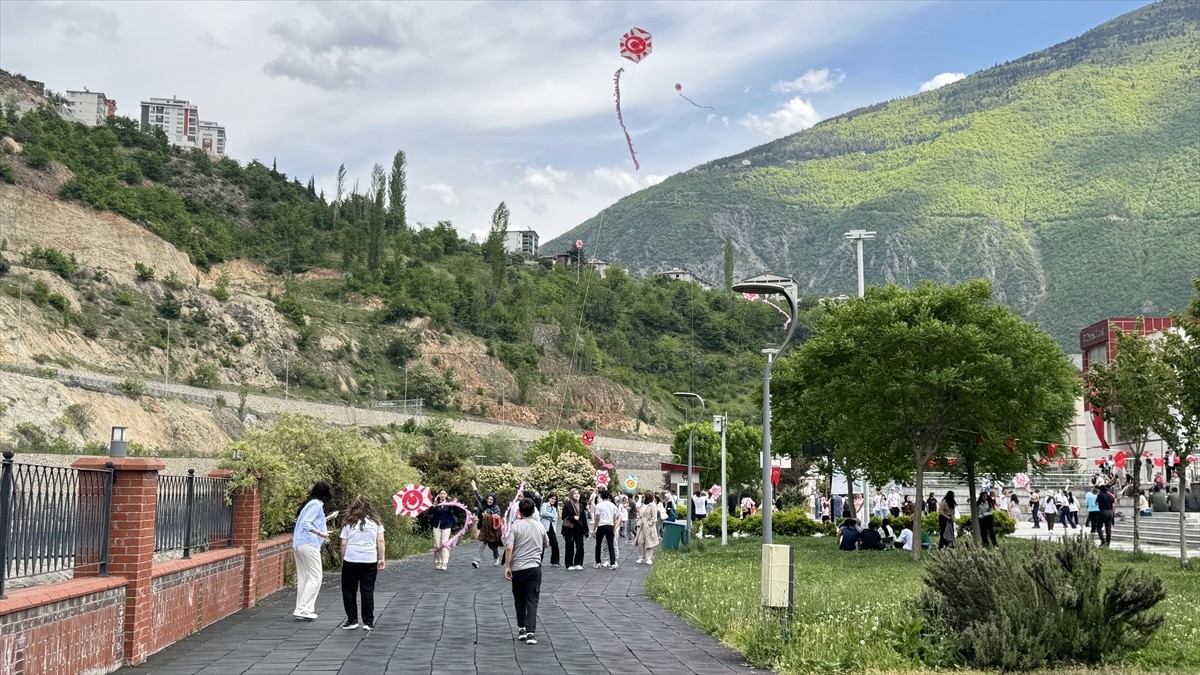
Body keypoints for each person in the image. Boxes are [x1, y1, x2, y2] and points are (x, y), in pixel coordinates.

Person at [505, 497, 549, 646]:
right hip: (534, 567)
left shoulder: (515, 526)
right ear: (533, 510)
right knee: (532, 599)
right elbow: (546, 544)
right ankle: (531, 632)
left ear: (519, 511)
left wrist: (507, 566)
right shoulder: (540, 526)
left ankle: (521, 628)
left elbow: (509, 547)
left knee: (519, 599)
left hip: (518, 568)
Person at [293, 481, 338, 621]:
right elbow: (306, 524)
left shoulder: (309, 503)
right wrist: (321, 534)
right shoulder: (316, 504)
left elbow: (309, 521)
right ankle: (303, 609)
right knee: (315, 577)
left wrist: (329, 518)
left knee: (305, 577)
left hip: (299, 544)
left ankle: (302, 608)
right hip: (309, 544)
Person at [339, 495, 385, 631]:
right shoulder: (376, 523)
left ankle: (352, 620)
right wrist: (381, 558)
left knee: (349, 590)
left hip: (351, 559)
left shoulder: (348, 522)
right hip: (369, 559)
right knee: (367, 591)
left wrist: (344, 558)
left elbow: (343, 543)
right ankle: (368, 622)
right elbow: (381, 541)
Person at [471, 480, 502, 568]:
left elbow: (497, 517)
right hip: (484, 528)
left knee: (493, 546)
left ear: (494, 500)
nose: (489, 500)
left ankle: (496, 557)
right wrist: (474, 485)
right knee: (481, 544)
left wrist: (488, 516)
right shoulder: (483, 503)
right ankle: (476, 561)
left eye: (491, 499)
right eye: (488, 499)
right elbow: (478, 494)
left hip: (493, 530)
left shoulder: (496, 508)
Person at [561, 488, 588, 571]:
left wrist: (586, 530)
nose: (576, 495)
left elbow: (584, 518)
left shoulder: (581, 505)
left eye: (578, 493)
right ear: (571, 495)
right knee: (569, 547)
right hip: (569, 529)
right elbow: (564, 517)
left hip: (579, 529)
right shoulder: (567, 505)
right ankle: (569, 564)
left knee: (580, 546)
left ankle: (578, 563)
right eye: (574, 493)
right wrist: (573, 517)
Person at [429, 490, 456, 571]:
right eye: (441, 494)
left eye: (444, 493)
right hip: (436, 525)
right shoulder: (436, 503)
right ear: (439, 495)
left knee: (445, 544)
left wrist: (453, 502)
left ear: (446, 495)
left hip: (447, 525)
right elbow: (430, 513)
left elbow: (456, 509)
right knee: (437, 545)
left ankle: (444, 563)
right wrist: (433, 506)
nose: (442, 495)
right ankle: (438, 562)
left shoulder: (449, 503)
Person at [594, 490, 620, 569]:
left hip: (601, 525)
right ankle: (613, 563)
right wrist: (614, 526)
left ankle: (598, 562)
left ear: (601, 496)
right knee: (611, 544)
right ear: (609, 496)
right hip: (610, 525)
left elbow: (597, 518)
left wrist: (595, 528)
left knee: (598, 544)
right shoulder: (612, 505)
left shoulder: (599, 505)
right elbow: (615, 516)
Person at [635, 493, 661, 565]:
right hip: (641, 526)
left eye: (644, 497)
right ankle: (641, 557)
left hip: (648, 527)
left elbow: (654, 517)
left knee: (649, 542)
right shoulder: (642, 505)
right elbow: (639, 514)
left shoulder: (652, 506)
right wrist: (638, 521)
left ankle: (649, 558)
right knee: (640, 541)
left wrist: (649, 524)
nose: (643, 498)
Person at [539, 494, 561, 566]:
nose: (553, 500)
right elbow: (543, 513)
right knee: (542, 544)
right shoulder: (545, 505)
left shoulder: (554, 508)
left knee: (555, 543)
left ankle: (555, 561)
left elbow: (555, 518)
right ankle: (539, 561)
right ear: (548, 498)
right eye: (552, 498)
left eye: (554, 499)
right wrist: (551, 515)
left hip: (551, 527)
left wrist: (550, 516)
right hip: (544, 527)